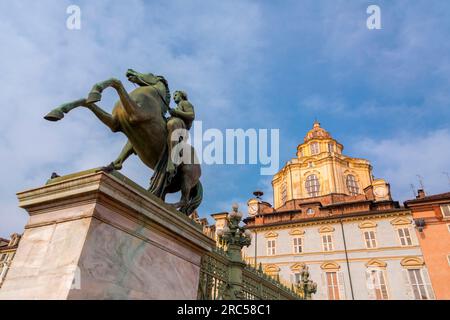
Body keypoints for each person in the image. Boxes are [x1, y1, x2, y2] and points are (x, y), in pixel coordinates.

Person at [166, 90, 195, 176]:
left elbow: (191, 115)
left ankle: (172, 159)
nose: (174, 97)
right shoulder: (177, 106)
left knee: (172, 124)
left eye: (176, 95)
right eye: (173, 95)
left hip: (182, 128)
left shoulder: (185, 103)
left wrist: (176, 112)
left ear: (181, 96)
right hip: (177, 123)